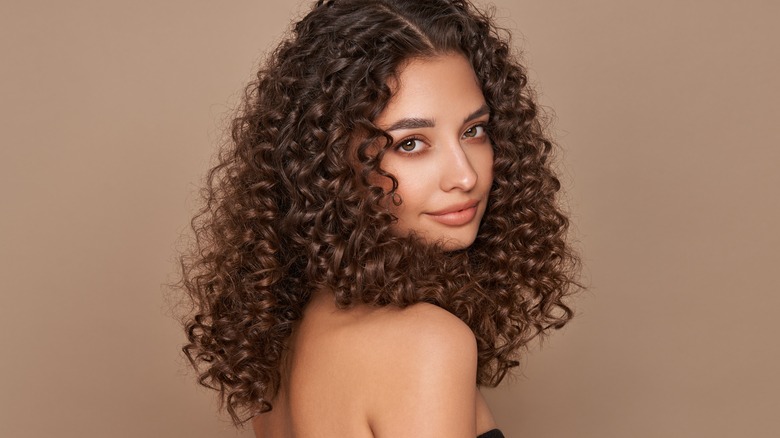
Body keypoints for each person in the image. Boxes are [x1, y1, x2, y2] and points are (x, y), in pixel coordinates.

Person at [176, 0, 580, 436]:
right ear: (330, 162)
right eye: (410, 144)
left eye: (473, 131)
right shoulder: (426, 343)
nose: (465, 176)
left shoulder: (285, 343)